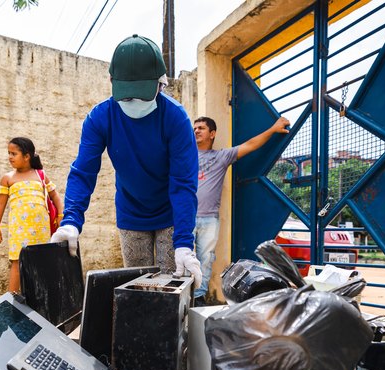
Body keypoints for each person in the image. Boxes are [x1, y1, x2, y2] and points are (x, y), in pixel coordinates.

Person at [50, 34, 202, 288]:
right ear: (112, 82)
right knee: (136, 291)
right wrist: (70, 221)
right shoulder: (100, 118)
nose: (134, 103)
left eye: (142, 95)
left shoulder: (176, 119)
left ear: (160, 84)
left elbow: (183, 183)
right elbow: (83, 172)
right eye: (127, 96)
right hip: (131, 212)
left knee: (174, 288)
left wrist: (184, 243)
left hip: (171, 215)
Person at [192, 115, 290, 304]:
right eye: (195, 128)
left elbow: (250, 145)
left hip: (209, 219)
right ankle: (182, 297)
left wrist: (272, 129)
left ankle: (198, 298)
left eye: (201, 128)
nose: (196, 130)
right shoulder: (184, 156)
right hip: (185, 217)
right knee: (182, 259)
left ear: (212, 134)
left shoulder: (221, 156)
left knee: (205, 260)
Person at [0, 137, 64, 292]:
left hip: (41, 228)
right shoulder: (8, 178)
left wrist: (60, 215)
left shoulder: (41, 175)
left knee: (42, 261)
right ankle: (11, 300)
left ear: (27, 156)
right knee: (17, 261)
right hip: (19, 229)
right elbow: (0, 203)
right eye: (9, 153)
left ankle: (43, 299)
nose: (10, 157)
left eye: (14, 154)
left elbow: (55, 196)